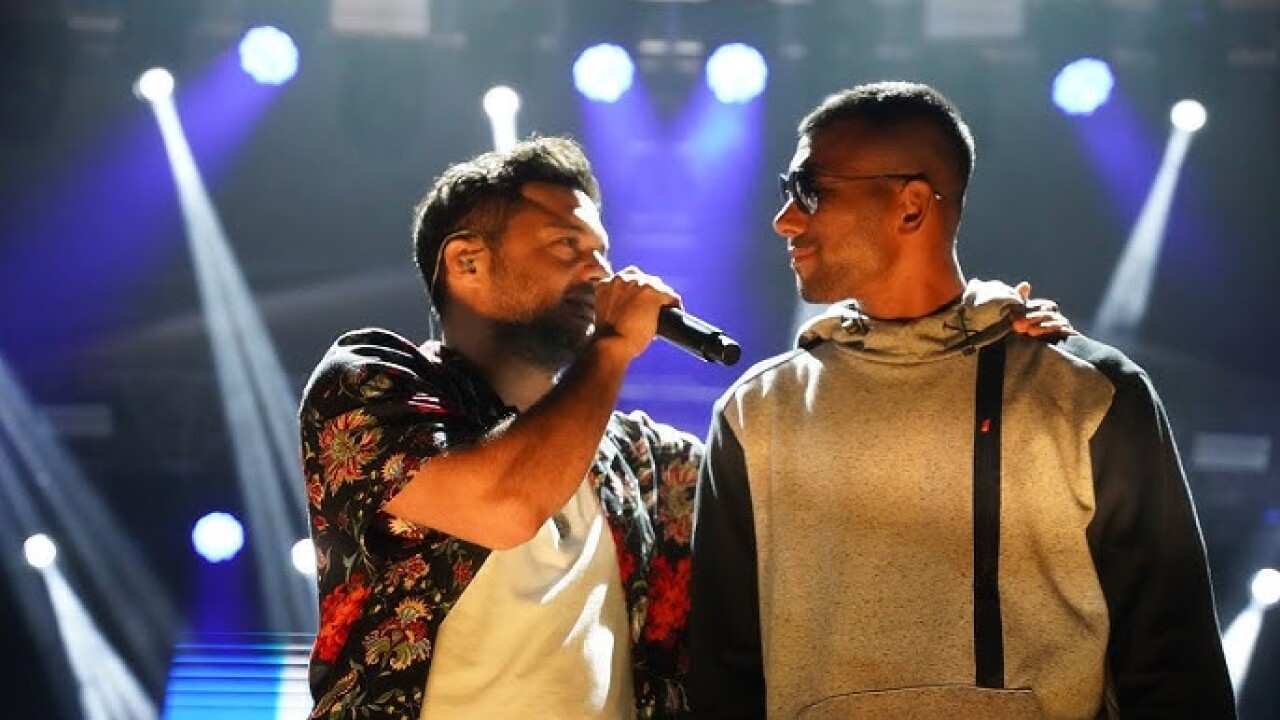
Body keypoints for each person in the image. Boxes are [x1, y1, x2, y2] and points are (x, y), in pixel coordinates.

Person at [686, 82, 1236, 719]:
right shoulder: (757, 412)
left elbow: (1174, 663)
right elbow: (723, 674)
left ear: (912, 205)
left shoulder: (1086, 392)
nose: (785, 219)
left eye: (811, 191)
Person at [298, 136, 701, 719]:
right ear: (467, 261)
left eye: (602, 252)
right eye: (568, 245)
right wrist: (612, 345)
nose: (601, 272)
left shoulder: (640, 458)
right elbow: (506, 505)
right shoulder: (370, 381)